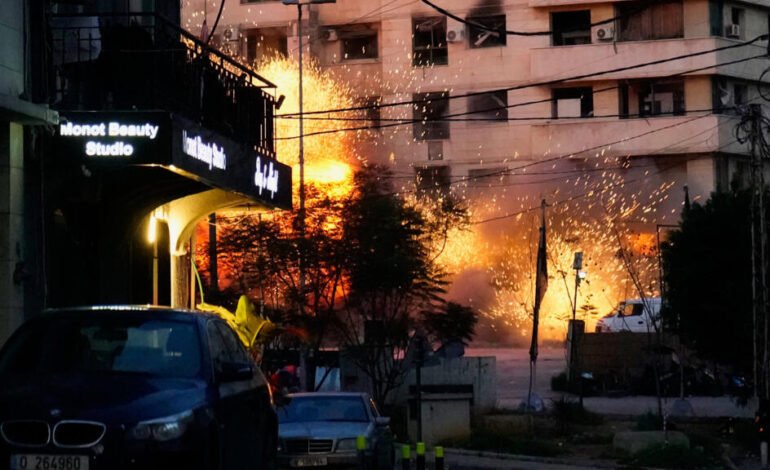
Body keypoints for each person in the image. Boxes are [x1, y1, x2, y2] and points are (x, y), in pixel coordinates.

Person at [756, 399, 770, 469]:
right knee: (764, 450)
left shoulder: (759, 412)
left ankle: (764, 465)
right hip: (764, 434)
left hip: (763, 434)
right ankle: (764, 465)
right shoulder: (760, 412)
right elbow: (757, 421)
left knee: (764, 450)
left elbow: (757, 421)